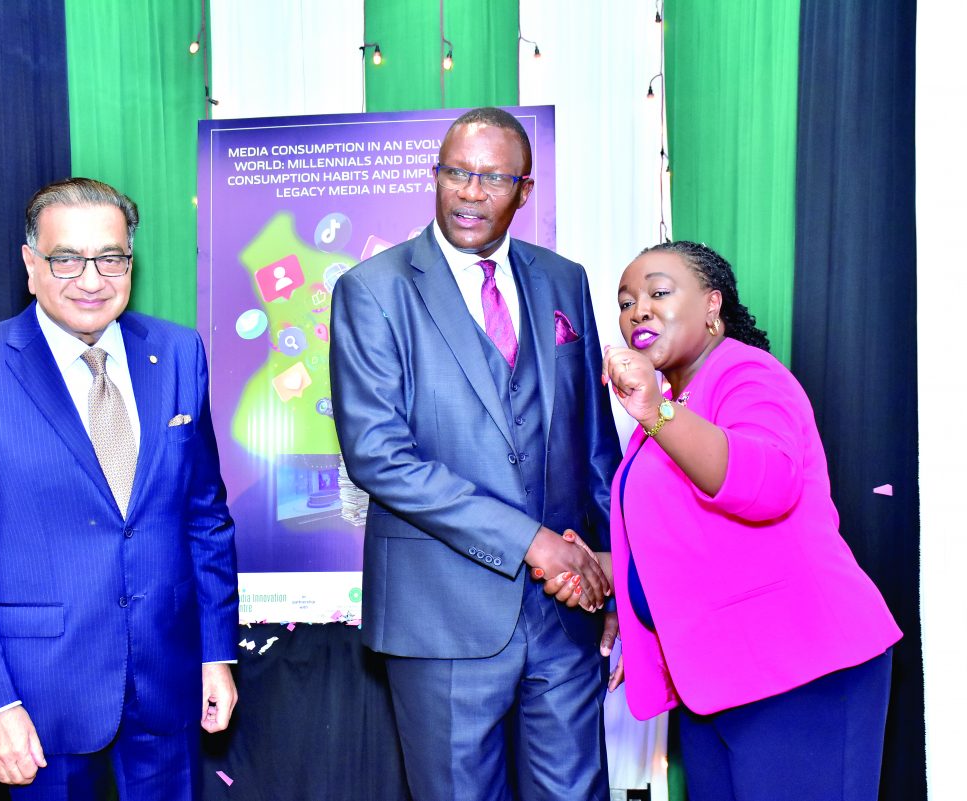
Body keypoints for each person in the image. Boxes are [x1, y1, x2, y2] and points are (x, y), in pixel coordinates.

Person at [330, 107, 622, 801]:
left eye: (492, 178)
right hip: (442, 618)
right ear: (435, 177)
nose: (469, 191)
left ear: (525, 190)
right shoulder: (372, 291)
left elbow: (593, 443)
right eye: (456, 172)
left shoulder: (563, 279)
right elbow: (379, 455)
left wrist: (617, 573)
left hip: (567, 611)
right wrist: (532, 542)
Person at [0, 177, 239, 800]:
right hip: (39, 699)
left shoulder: (178, 354)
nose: (91, 279)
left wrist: (216, 653)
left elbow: (206, 516)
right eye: (67, 258)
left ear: (130, 260)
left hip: (167, 685)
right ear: (31, 263)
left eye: (111, 257)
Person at [581, 240, 901, 801]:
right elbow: (688, 537)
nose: (639, 312)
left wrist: (656, 409)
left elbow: (766, 486)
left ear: (712, 306)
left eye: (659, 293)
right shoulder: (672, 411)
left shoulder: (747, 375)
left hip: (801, 669)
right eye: (626, 302)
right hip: (716, 678)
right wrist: (608, 576)